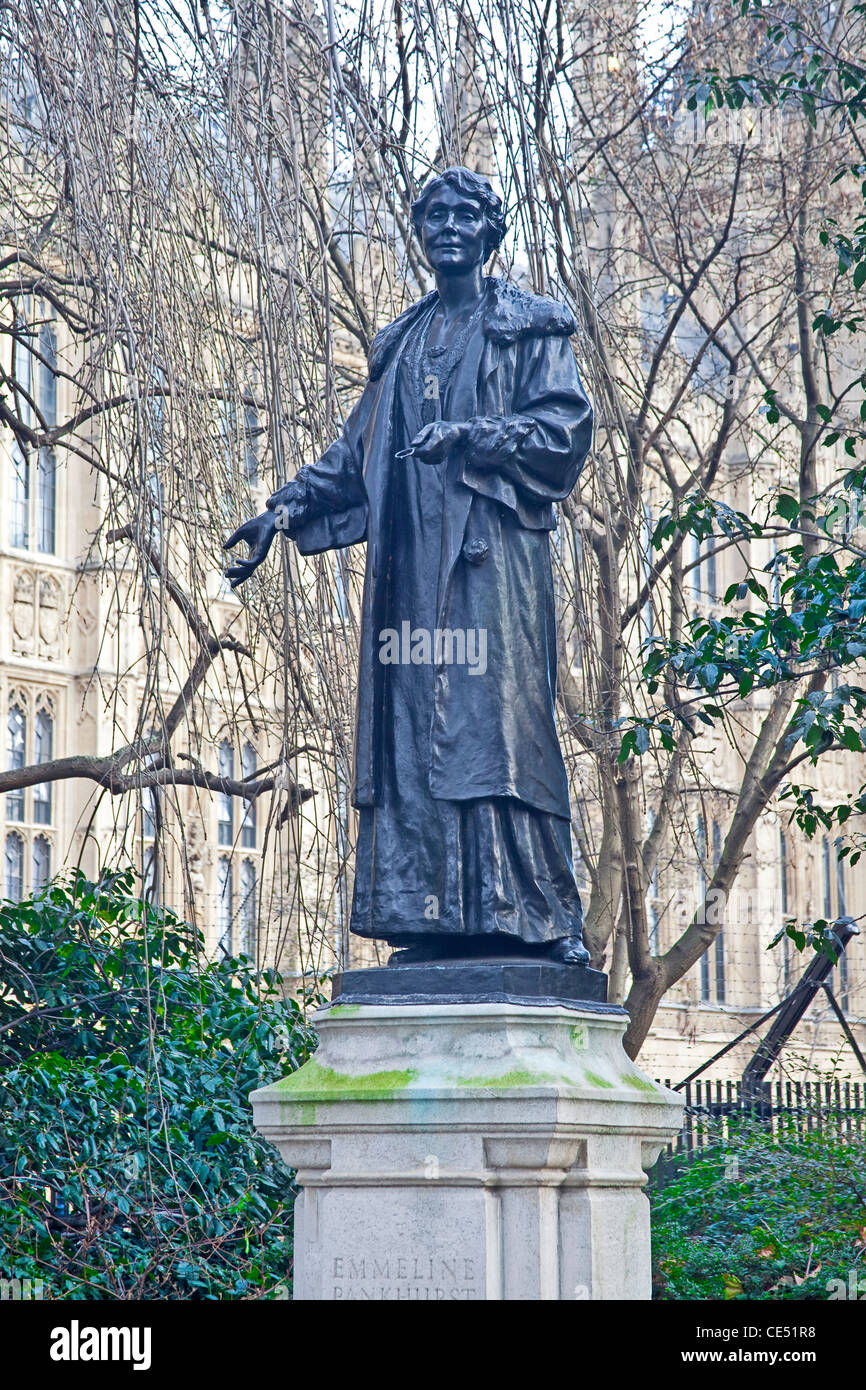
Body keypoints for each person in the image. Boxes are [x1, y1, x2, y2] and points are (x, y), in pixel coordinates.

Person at [224, 166, 593, 964]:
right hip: (410, 573)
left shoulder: (529, 329)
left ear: (489, 232)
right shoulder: (405, 343)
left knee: (497, 734)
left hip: (489, 569)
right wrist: (280, 509)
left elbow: (564, 433)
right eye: (435, 217)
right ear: (419, 235)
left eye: (466, 215)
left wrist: (471, 435)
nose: (449, 228)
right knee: (416, 740)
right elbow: (354, 455)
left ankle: (535, 917)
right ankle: (432, 918)